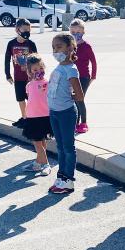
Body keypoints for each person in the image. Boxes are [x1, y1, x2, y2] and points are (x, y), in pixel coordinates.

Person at [47, 32, 85, 195]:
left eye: (59, 47)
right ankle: (61, 177)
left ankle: (68, 180)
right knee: (60, 147)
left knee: (68, 148)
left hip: (66, 113)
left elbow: (80, 95)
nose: (56, 50)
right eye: (54, 47)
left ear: (70, 48)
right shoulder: (59, 66)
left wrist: (68, 96)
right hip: (54, 112)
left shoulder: (71, 69)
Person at [19, 54, 52, 176]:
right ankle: (40, 163)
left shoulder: (48, 83)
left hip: (45, 116)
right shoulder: (29, 85)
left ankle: (44, 164)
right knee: (38, 143)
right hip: (32, 117)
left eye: (41, 68)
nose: (39, 71)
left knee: (41, 142)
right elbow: (31, 100)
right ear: (29, 72)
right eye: (35, 70)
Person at [5, 18, 37, 124]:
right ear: (17, 30)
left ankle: (34, 118)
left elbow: (37, 60)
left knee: (31, 99)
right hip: (18, 77)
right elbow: (7, 59)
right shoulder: (11, 43)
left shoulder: (31, 44)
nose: (27, 32)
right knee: (20, 98)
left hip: (30, 78)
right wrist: (8, 75)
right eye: (24, 30)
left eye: (29, 30)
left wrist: (36, 75)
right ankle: (24, 118)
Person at [70, 19, 96, 134]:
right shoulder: (69, 47)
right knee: (74, 99)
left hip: (84, 77)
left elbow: (93, 62)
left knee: (80, 99)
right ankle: (76, 122)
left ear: (83, 32)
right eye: (73, 32)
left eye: (78, 32)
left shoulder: (87, 46)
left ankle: (84, 123)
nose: (76, 34)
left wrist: (93, 77)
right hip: (72, 77)